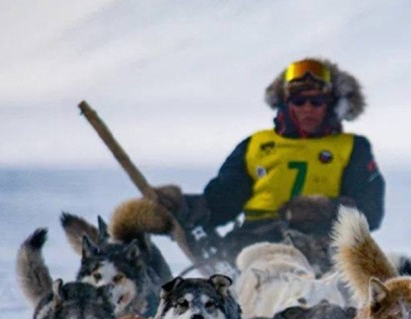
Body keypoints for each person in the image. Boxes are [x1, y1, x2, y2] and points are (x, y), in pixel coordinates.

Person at [160, 57, 385, 263]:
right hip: (253, 242)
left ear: (332, 104)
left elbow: (370, 211)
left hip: (322, 246)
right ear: (285, 103)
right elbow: (220, 203)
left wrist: (323, 208)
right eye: (299, 100)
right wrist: (180, 207)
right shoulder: (256, 145)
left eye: (316, 101)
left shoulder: (352, 148)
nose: (308, 108)